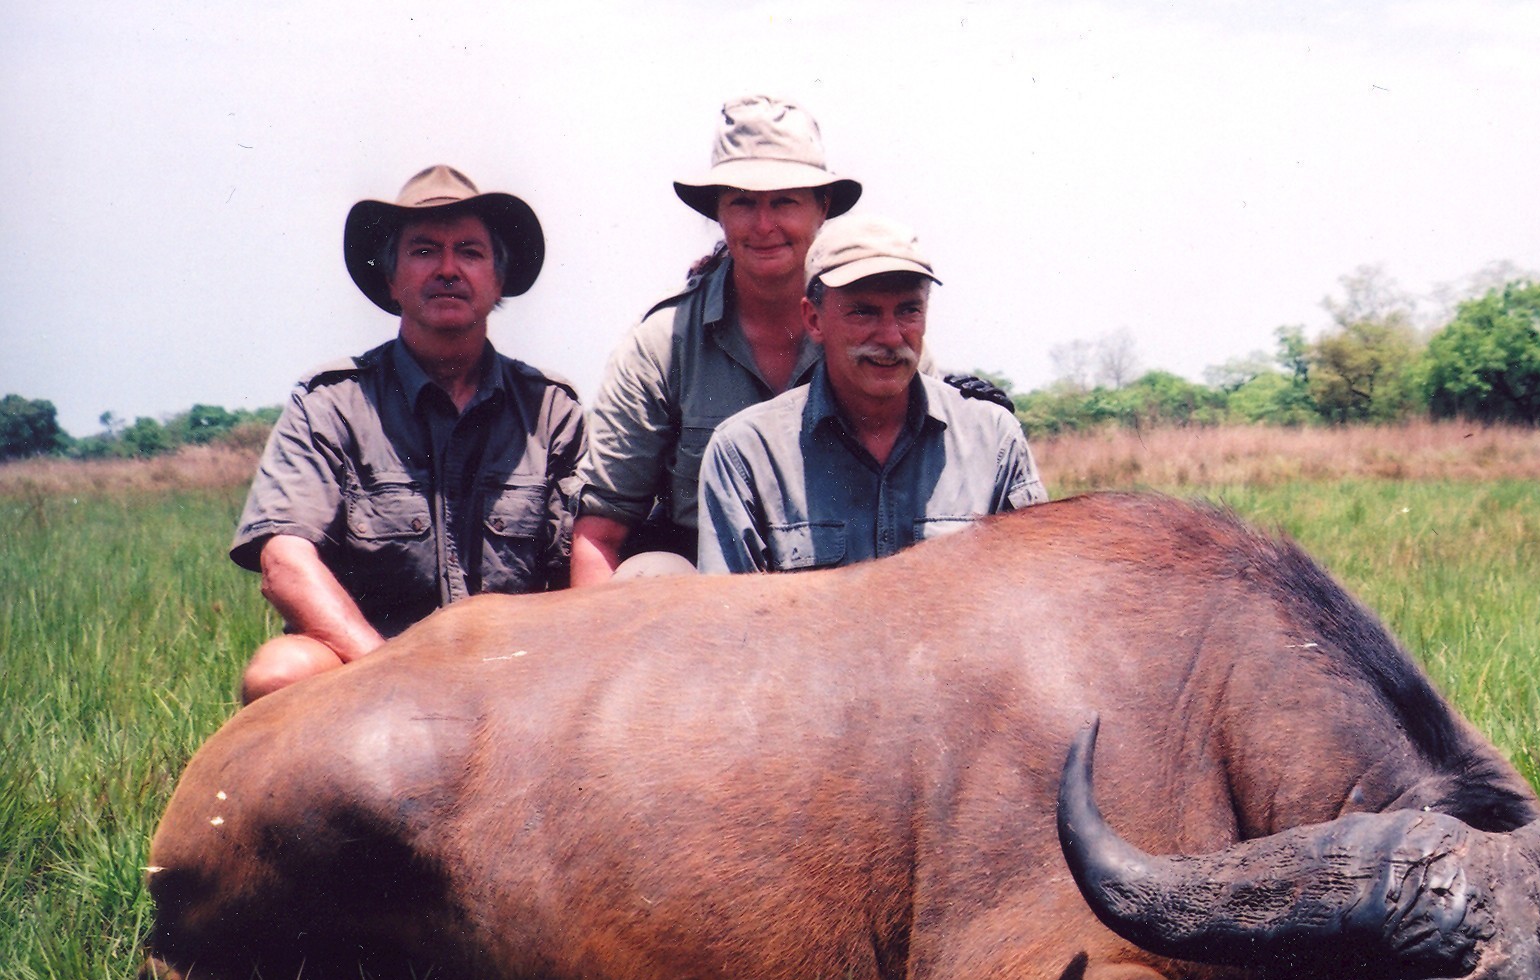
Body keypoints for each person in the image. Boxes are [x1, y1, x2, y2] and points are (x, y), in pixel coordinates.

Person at [573, 93, 1011, 582]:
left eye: (784, 202)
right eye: (743, 202)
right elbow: (600, 530)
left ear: (822, 208)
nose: (764, 225)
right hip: (712, 602)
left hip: (854, 584)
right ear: (719, 212)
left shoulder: (878, 342)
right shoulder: (660, 346)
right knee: (649, 575)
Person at [230, 165, 584, 704]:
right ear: (391, 280)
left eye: (470, 251)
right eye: (423, 251)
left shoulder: (551, 409)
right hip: (371, 662)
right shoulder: (332, 402)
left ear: (498, 279)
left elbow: (585, 566)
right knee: (280, 672)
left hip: (518, 672)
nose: (447, 269)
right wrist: (389, 672)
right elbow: (284, 561)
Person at [698, 215, 1045, 574]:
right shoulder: (747, 453)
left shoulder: (993, 440)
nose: (891, 338)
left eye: (909, 310)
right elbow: (731, 621)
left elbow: (1036, 594)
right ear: (814, 319)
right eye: (864, 312)